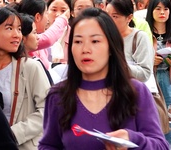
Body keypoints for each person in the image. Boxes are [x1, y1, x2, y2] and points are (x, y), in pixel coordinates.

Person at [39, 7, 169, 150]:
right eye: (78, 41)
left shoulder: (136, 92)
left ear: (111, 47)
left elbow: (160, 145)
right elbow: (48, 145)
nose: (85, 49)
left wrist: (132, 139)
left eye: (95, 41)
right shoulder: (58, 95)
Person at [0, 7, 51, 150]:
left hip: (21, 145)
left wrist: (12, 133)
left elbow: (48, 110)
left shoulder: (31, 67)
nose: (17, 35)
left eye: (19, 29)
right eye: (9, 28)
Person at [146, 0, 171, 144]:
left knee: (168, 117)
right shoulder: (144, 31)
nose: (162, 12)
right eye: (158, 9)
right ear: (151, 11)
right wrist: (151, 60)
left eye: (166, 9)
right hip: (151, 79)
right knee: (155, 117)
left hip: (168, 78)